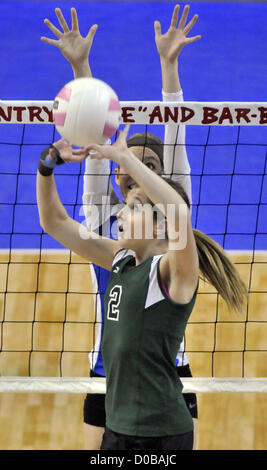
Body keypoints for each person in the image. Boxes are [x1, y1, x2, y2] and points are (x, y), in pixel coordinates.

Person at [41, 4, 201, 449]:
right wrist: (81, 71)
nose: (131, 172)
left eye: (148, 165)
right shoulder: (106, 226)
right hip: (104, 372)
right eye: (125, 168)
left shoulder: (172, 224)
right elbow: (93, 134)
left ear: (160, 174)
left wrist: (169, 68)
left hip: (169, 369)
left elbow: (176, 140)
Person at [36, 123, 247, 450]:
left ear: (160, 223)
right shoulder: (119, 259)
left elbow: (178, 210)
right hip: (117, 430)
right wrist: (47, 163)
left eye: (133, 208)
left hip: (163, 435)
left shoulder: (175, 274)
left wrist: (126, 159)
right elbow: (54, 223)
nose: (120, 215)